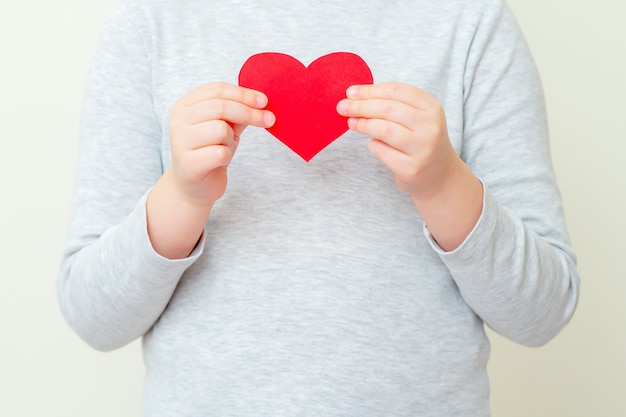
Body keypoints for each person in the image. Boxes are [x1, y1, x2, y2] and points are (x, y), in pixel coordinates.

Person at [57, 0, 580, 415]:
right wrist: (183, 196)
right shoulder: (150, 22)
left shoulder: (471, 21)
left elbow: (542, 313)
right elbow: (94, 316)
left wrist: (443, 182)